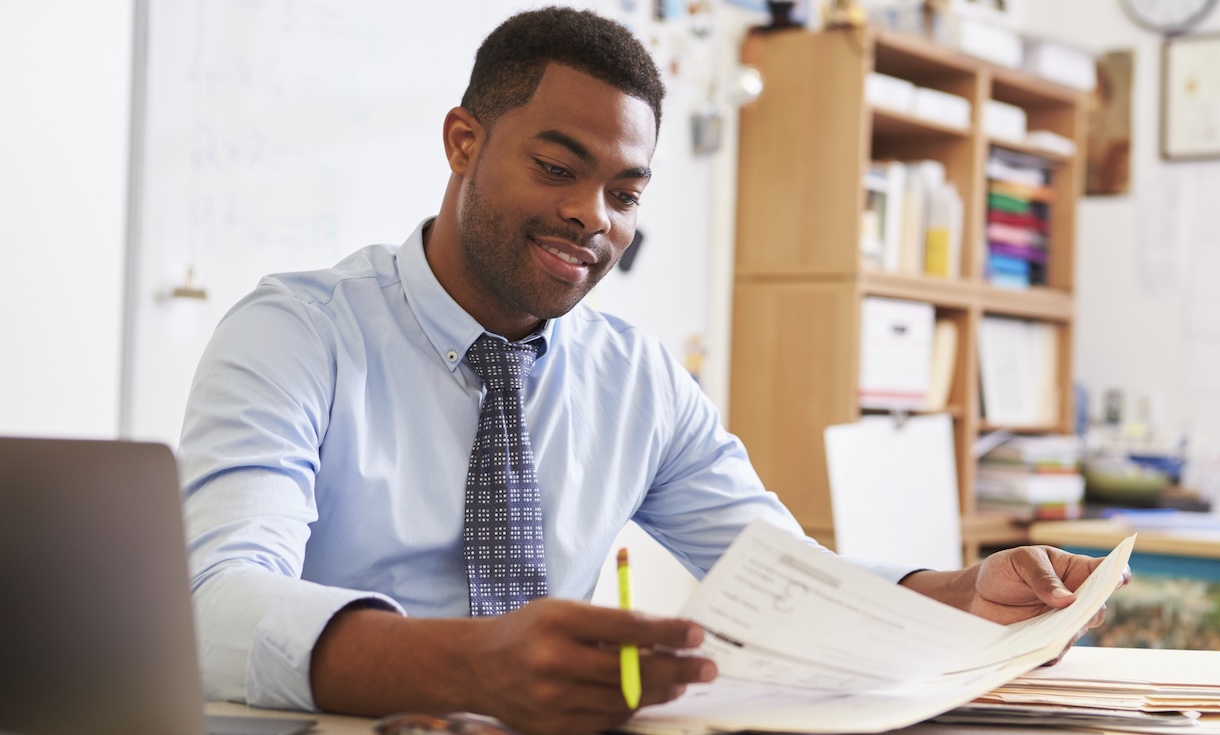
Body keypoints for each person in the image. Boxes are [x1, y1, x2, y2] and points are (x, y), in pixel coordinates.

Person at [179, 7, 1126, 735]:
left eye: (624, 192)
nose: (594, 216)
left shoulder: (636, 377)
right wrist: (468, 663)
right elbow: (214, 602)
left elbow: (783, 577)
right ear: (463, 142)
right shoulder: (297, 332)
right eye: (558, 167)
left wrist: (958, 593)